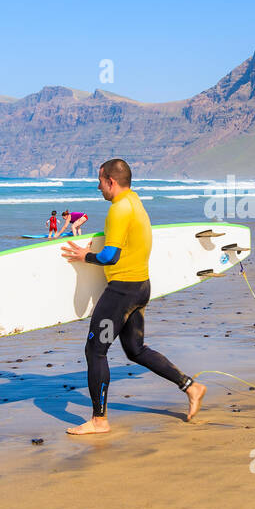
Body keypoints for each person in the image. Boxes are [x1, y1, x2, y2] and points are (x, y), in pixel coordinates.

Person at [60, 158, 205, 435]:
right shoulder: (135, 203)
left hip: (121, 293)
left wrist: (84, 256)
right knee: (135, 350)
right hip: (141, 287)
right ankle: (191, 387)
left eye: (100, 181)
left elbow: (109, 256)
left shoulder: (118, 210)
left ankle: (99, 420)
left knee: (95, 350)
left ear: (111, 182)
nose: (98, 186)